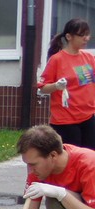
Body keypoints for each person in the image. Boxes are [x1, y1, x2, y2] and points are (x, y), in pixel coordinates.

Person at [38, 18, 95, 149]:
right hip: (66, 120)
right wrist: (56, 86)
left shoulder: (89, 58)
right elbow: (42, 88)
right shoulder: (57, 60)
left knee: (90, 156)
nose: (86, 38)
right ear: (69, 37)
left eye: (87, 34)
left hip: (88, 117)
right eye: (82, 35)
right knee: (71, 156)